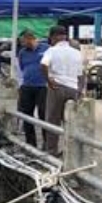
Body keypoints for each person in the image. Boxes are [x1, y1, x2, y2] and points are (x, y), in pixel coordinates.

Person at [41, 25, 85, 156]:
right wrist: (80, 89)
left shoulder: (51, 50)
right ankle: (71, 151)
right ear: (65, 36)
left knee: (52, 119)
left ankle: (51, 151)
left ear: (54, 37)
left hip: (57, 87)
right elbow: (81, 74)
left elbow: (43, 65)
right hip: (73, 88)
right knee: (70, 121)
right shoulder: (77, 52)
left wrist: (49, 80)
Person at [17, 30, 50, 148]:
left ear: (30, 38)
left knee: (44, 114)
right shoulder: (22, 53)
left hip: (43, 86)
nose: (22, 44)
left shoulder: (46, 49)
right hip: (27, 86)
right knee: (27, 115)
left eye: (23, 41)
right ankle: (30, 143)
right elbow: (21, 68)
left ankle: (47, 142)